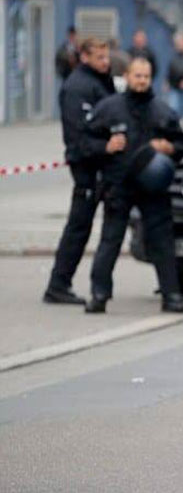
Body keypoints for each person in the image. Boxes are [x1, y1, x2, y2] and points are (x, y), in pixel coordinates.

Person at [84, 56, 183, 313]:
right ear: (128, 77)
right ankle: (99, 294)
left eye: (146, 76)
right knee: (110, 240)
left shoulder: (162, 110)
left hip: (153, 188)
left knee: (162, 240)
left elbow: (181, 144)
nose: (141, 81)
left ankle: (171, 294)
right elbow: (85, 143)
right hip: (118, 184)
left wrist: (170, 148)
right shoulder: (109, 108)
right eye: (137, 75)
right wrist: (105, 147)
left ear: (151, 78)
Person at [43, 37, 115, 305]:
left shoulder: (99, 81)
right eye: (100, 57)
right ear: (85, 57)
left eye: (107, 57)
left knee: (87, 225)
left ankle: (62, 282)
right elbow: (78, 136)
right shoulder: (77, 87)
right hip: (87, 165)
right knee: (78, 226)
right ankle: (58, 283)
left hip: (100, 163)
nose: (105, 62)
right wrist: (105, 146)